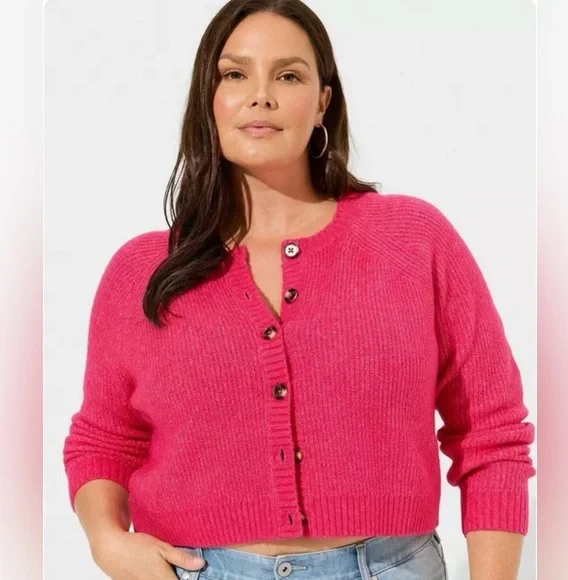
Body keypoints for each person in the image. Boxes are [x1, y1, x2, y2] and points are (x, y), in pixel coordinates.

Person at [62, 0, 536, 579]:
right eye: (235, 74)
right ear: (208, 99)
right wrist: (106, 540)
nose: (260, 95)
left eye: (288, 76)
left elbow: (491, 432)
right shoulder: (142, 271)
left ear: (322, 103)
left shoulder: (412, 240)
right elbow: (103, 441)